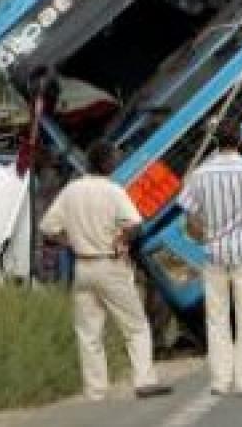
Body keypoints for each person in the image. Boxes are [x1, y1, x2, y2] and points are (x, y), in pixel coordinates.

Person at [39, 141, 172, 401]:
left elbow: (48, 230)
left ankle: (96, 390)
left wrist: (71, 242)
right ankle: (144, 380)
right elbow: (134, 224)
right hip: (110, 264)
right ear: (107, 163)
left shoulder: (71, 190)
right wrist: (122, 242)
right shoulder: (113, 191)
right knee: (135, 326)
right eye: (115, 159)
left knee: (89, 331)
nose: (118, 162)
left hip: (83, 265)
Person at [178, 117, 242, 398]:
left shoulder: (200, 174)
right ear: (240, 138)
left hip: (214, 251)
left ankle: (220, 381)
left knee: (217, 317)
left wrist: (203, 233)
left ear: (216, 141)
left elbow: (189, 214)